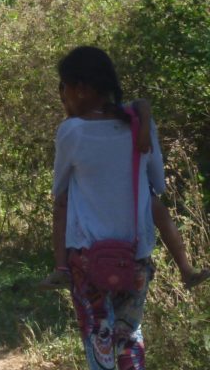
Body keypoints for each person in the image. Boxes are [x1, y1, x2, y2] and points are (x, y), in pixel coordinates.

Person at [48, 46, 167, 370]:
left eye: (63, 88)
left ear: (81, 88)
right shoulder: (139, 125)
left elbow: (60, 190)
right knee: (129, 333)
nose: (63, 97)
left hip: (88, 259)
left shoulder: (72, 132)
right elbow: (158, 184)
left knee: (98, 340)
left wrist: (59, 262)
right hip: (136, 254)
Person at [41, 88, 209, 291]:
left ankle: (61, 267)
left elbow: (60, 187)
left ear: (78, 94)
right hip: (134, 195)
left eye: (64, 99)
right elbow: (159, 183)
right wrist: (145, 127)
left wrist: (144, 128)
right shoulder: (127, 116)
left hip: (102, 201)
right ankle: (185, 268)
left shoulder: (75, 129)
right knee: (157, 206)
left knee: (61, 205)